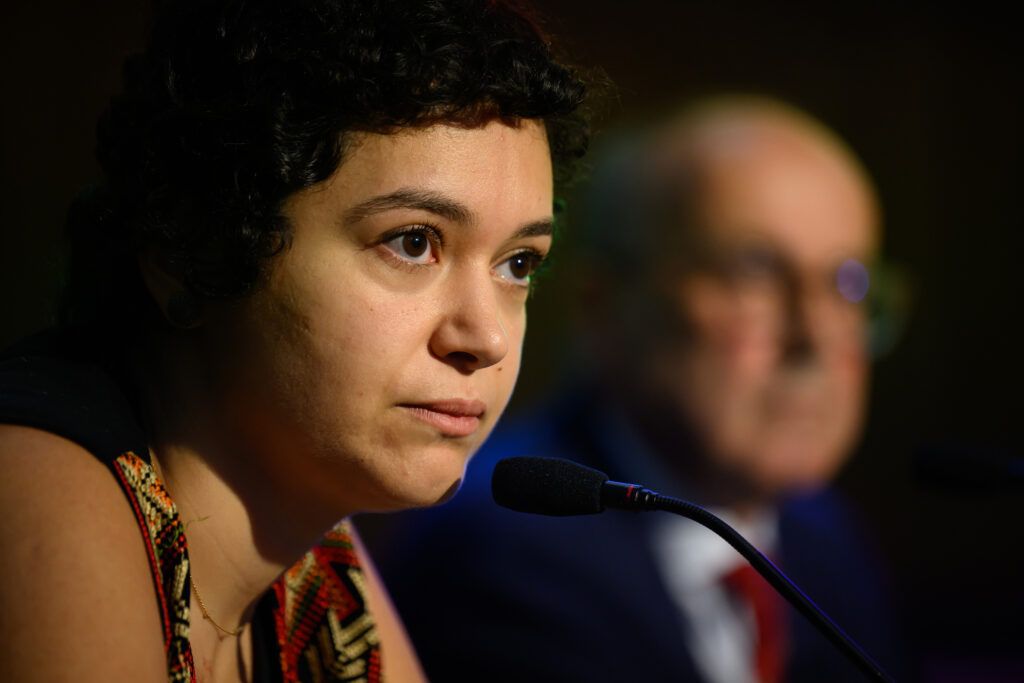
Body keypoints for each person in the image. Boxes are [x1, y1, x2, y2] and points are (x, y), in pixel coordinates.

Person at [0, 1, 589, 681]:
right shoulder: (38, 484)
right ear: (194, 247)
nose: (484, 336)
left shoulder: (317, 565)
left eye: (518, 263)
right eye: (413, 242)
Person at [369, 96, 903, 682]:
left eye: (846, 283)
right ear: (608, 307)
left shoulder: (827, 541)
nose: (813, 337)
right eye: (755, 272)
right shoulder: (504, 552)